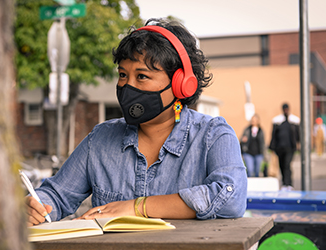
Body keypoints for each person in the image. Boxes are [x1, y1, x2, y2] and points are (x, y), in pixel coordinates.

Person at [25, 18, 247, 226]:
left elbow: (232, 197)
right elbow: (57, 194)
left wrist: (137, 207)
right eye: (123, 75)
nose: (127, 86)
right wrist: (37, 206)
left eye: (142, 76)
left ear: (181, 85)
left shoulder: (213, 135)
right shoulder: (100, 138)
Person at [269, 103, 300, 191]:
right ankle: (284, 183)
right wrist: (272, 147)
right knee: (282, 165)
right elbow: (274, 135)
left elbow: (298, 134)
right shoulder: (278, 121)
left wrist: (298, 144)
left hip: (290, 147)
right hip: (280, 147)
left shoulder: (294, 121)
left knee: (287, 164)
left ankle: (289, 183)